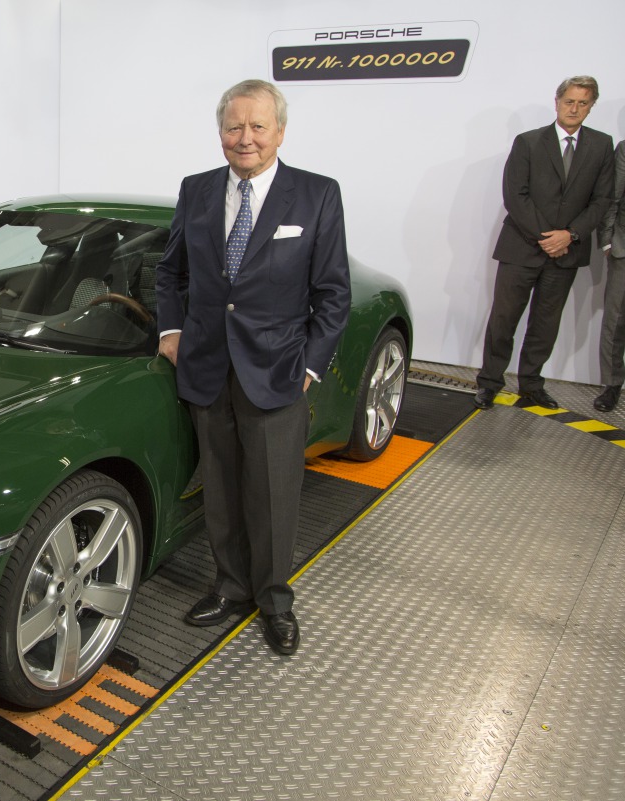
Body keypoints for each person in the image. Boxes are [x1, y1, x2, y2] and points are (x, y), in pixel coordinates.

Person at [155, 79, 350, 655]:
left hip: (278, 370)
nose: (246, 139)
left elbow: (333, 294)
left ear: (280, 132)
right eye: (233, 127)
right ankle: (230, 586)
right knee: (220, 489)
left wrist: (311, 367)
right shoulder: (196, 190)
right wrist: (171, 331)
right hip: (208, 367)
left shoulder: (316, 194)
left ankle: (274, 601)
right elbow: (171, 273)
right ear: (221, 133)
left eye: (257, 126)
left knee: (272, 495)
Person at [473, 76, 614, 410]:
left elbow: (602, 199)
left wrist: (570, 235)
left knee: (545, 324)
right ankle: (489, 383)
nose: (575, 108)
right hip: (521, 248)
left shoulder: (601, 144)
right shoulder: (529, 142)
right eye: (569, 101)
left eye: (583, 103)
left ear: (591, 106)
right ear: (557, 101)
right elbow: (515, 195)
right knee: (503, 320)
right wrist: (546, 237)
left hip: (567, 251)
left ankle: (532, 385)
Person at [593, 141, 625, 412]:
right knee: (615, 322)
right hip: (624, 249)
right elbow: (612, 197)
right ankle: (612, 385)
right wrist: (606, 240)